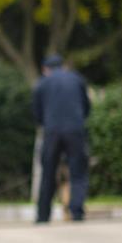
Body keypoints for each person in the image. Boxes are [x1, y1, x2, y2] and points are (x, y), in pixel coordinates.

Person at [33, 54, 91, 223]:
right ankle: (77, 212)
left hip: (52, 132)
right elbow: (86, 106)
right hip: (75, 130)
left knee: (48, 173)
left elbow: (36, 112)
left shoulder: (42, 83)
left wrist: (46, 124)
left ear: (45, 69)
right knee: (78, 172)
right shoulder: (76, 79)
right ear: (63, 66)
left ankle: (43, 215)